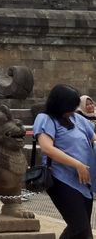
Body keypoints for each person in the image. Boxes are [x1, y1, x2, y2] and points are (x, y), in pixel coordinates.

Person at [34, 84, 96, 239]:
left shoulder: (78, 119)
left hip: (84, 180)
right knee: (80, 227)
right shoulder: (45, 119)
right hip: (61, 178)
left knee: (81, 230)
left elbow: (93, 137)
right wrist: (77, 164)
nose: (72, 110)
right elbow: (47, 148)